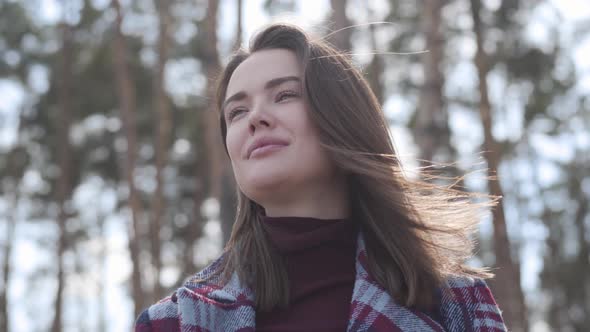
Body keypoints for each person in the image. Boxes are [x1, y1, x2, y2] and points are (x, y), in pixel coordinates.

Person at [135, 23, 507, 332]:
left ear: (342, 118)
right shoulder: (172, 323)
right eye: (237, 112)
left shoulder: (457, 307)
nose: (255, 118)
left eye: (284, 95)